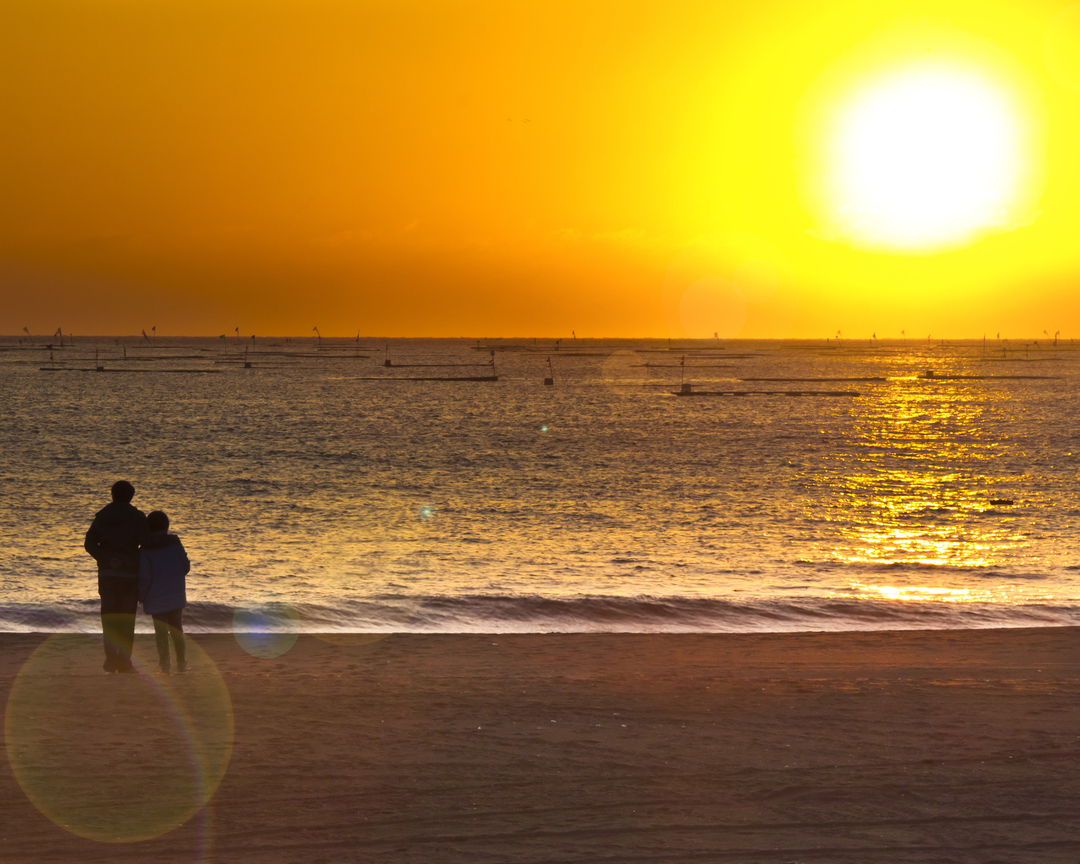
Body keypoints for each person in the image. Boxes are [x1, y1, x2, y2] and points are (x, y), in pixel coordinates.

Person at [84, 480, 151, 673]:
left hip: (107, 574)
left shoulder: (102, 517)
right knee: (127, 618)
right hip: (129, 575)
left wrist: (107, 558)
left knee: (109, 618)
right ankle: (124, 660)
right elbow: (146, 541)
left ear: (112, 495)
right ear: (131, 496)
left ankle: (110, 660)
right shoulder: (137, 517)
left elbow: (89, 544)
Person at [138, 510, 191, 674]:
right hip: (175, 593)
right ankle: (181, 663)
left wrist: (141, 595)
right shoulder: (175, 544)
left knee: (160, 633)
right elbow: (186, 566)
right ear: (167, 526)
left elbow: (145, 577)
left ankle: (164, 665)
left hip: (155, 597)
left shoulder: (145, 548)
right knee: (177, 629)